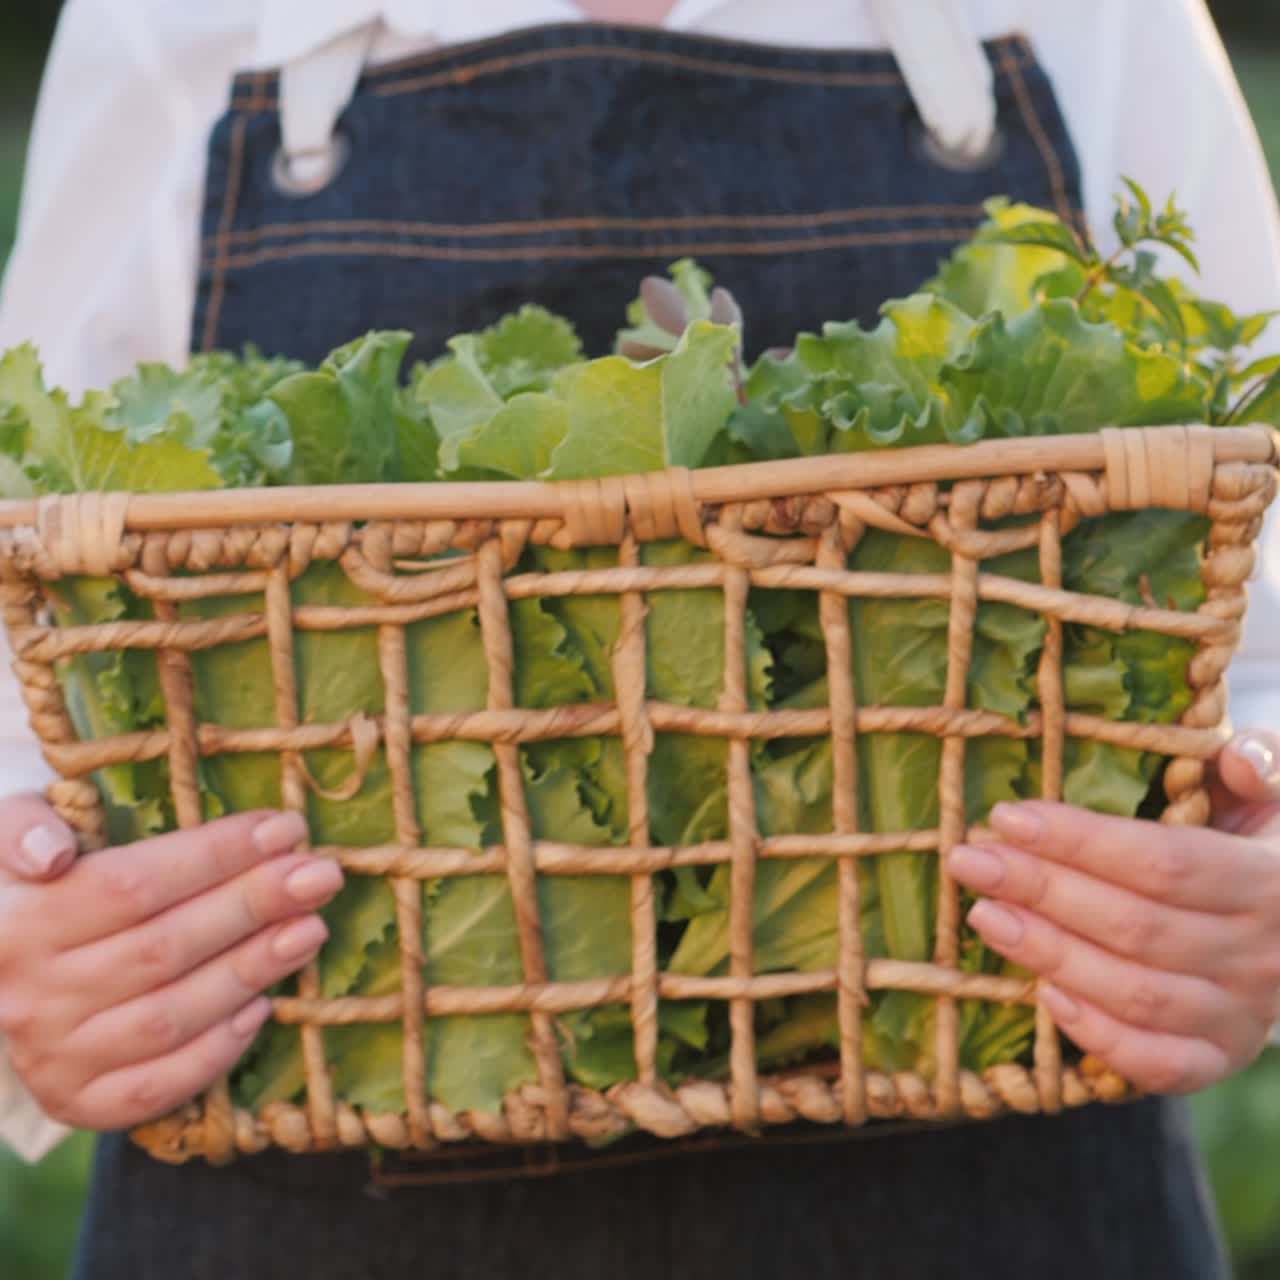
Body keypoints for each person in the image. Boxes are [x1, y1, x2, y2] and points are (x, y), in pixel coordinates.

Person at [1, 1, 1279, 1276]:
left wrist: (1251, 890)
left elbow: (1258, 636)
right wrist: (45, 962)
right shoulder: (172, 23)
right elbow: (28, 670)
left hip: (1017, 1209)